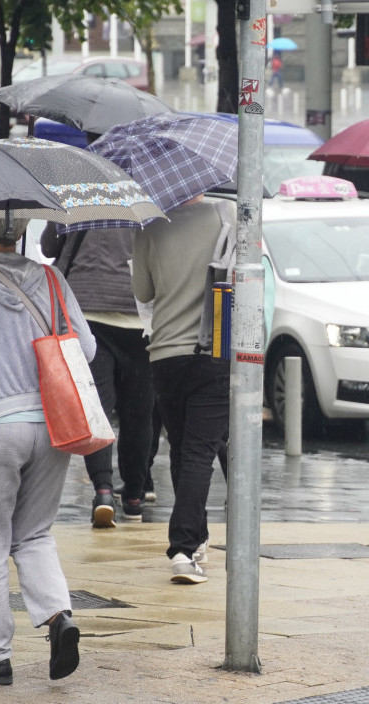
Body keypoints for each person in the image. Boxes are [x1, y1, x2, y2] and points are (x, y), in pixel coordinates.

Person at [0, 217, 92, 685]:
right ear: (23, 230)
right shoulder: (51, 278)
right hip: (53, 423)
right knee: (34, 533)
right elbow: (84, 348)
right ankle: (57, 617)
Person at [131, 193, 237, 584]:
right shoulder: (227, 214)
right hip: (213, 350)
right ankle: (183, 548)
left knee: (182, 449)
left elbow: (143, 292)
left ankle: (199, 538)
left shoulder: (149, 224)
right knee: (198, 454)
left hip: (165, 355)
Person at [42, 222, 161, 528]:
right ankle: (134, 496)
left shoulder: (81, 190)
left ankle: (104, 491)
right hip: (140, 316)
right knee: (139, 414)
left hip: (89, 311)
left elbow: (48, 248)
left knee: (98, 408)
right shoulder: (147, 194)